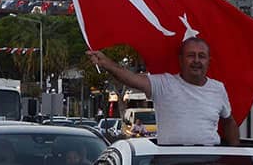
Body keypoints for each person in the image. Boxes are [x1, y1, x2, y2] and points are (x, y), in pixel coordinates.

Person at [86, 37, 239, 146]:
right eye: (191, 56)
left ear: (209, 61)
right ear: (181, 60)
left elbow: (229, 121)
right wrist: (106, 63)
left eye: (202, 56)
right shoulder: (163, 84)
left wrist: (236, 155)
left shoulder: (218, 89)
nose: (197, 61)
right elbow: (131, 78)